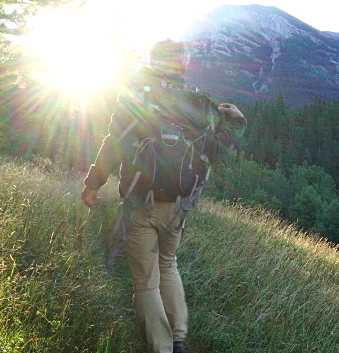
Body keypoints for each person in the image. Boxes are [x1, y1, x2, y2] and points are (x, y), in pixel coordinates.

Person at [81, 39, 247, 353]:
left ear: (153, 62)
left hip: (140, 203)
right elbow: (216, 149)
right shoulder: (198, 104)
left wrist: (92, 184)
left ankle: (161, 348)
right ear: (183, 66)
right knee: (168, 265)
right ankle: (179, 340)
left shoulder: (135, 97)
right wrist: (237, 121)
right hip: (179, 206)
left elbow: (113, 145)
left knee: (146, 282)